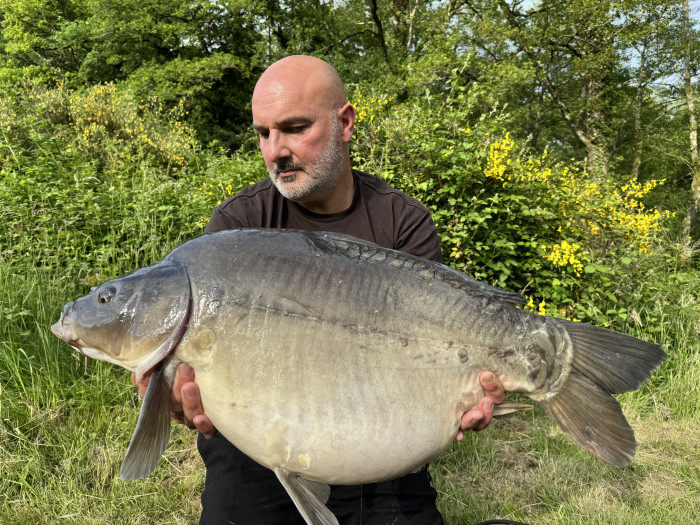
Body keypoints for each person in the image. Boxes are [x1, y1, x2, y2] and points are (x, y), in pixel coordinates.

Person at [135, 55, 506, 524]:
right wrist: (174, 397)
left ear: (345, 123)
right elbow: (195, 375)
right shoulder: (236, 227)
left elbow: (444, 346)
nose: (276, 151)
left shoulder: (401, 221)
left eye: (294, 128)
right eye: (263, 134)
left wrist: (467, 392)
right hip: (254, 453)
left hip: (376, 441)